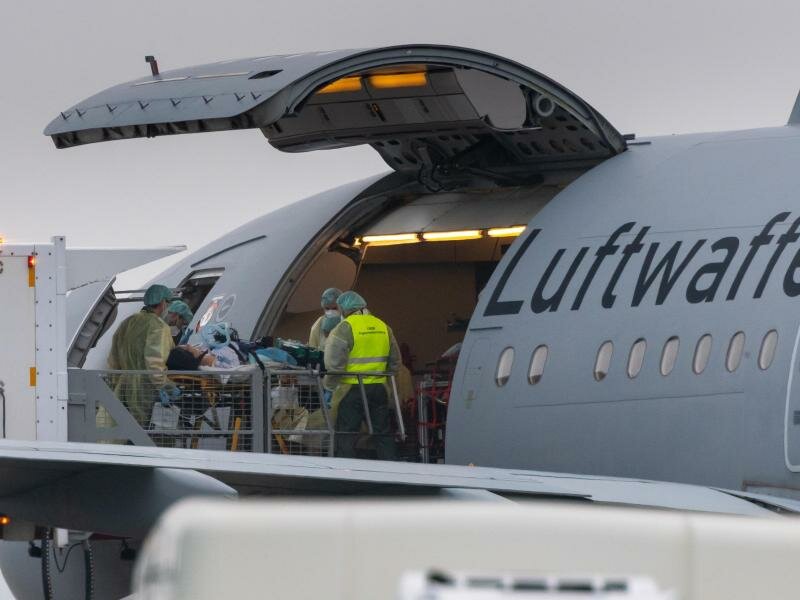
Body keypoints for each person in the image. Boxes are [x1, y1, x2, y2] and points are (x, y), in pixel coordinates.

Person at [324, 291, 401, 460]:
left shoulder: (344, 328)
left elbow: (334, 365)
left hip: (352, 390)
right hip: (379, 388)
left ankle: (345, 471)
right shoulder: (383, 326)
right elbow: (395, 362)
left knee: (347, 435)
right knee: (383, 434)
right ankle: (391, 468)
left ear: (344, 308)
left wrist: (328, 387)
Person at [106, 284, 176, 424]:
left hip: (123, 386)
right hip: (146, 389)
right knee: (144, 430)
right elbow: (154, 362)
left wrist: (115, 383)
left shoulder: (127, 322)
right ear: (163, 303)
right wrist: (165, 386)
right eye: (168, 303)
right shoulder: (158, 326)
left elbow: (113, 359)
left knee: (124, 427)